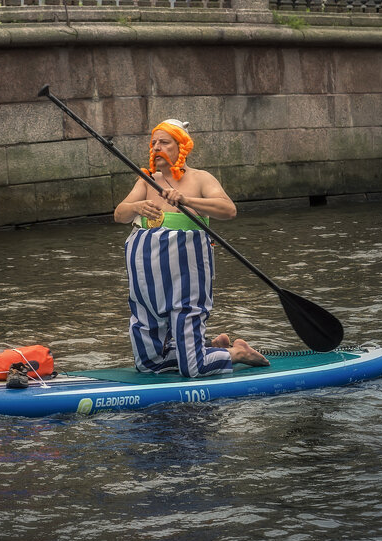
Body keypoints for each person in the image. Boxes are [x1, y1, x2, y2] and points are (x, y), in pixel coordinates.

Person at [114, 118, 269, 378]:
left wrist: (186, 199)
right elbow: (119, 214)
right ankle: (209, 347)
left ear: (181, 146)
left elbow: (228, 210)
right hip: (146, 276)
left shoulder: (200, 179)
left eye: (164, 142)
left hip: (186, 273)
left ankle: (236, 353)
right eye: (153, 143)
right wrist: (136, 207)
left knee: (193, 369)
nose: (156, 148)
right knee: (148, 365)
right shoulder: (146, 180)